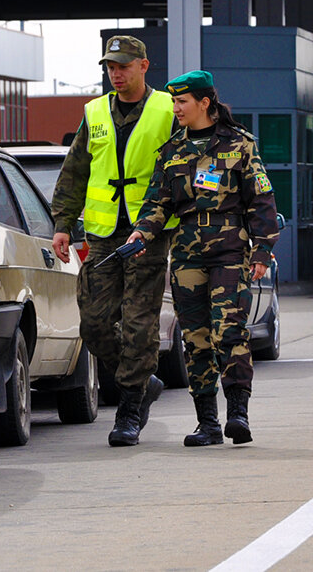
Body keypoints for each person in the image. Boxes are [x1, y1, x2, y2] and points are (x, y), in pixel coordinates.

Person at [125, 70, 279, 446]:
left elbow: (261, 200)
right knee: (195, 339)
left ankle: (238, 415)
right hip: (187, 253)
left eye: (182, 102)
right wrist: (141, 232)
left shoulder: (239, 144)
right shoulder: (172, 151)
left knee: (229, 331)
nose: (175, 108)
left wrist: (262, 249)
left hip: (229, 250)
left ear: (204, 103)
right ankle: (207, 423)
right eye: (174, 101)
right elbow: (156, 204)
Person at [49, 35, 178, 447]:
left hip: (149, 232)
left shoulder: (166, 109)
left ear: (144, 66)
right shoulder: (95, 112)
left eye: (123, 66)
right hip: (104, 234)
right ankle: (144, 380)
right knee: (94, 323)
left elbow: (185, 168)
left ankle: (130, 408)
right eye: (110, 67)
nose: (116, 74)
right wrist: (63, 223)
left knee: (140, 323)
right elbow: (75, 171)